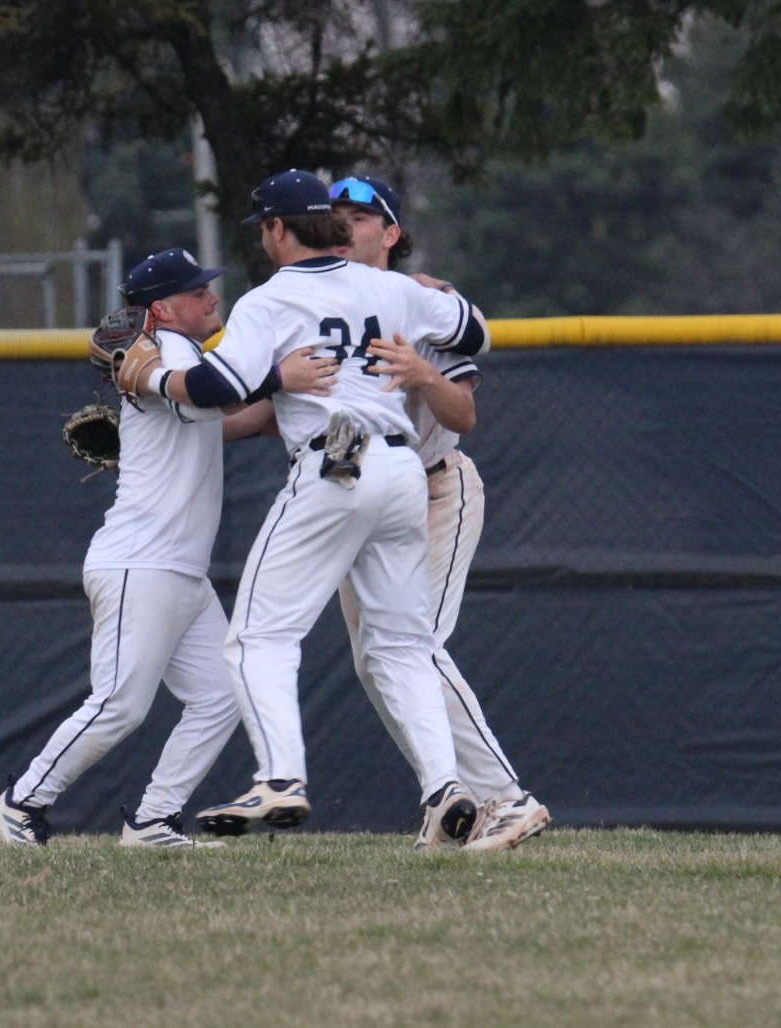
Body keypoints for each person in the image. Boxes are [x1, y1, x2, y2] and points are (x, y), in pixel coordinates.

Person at [113, 169, 490, 851]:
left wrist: (150, 375)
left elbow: (210, 388)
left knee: (257, 636)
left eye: (264, 225)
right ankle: (444, 787)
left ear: (278, 229)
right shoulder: (391, 287)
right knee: (404, 646)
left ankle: (281, 775)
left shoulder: (269, 299)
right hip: (401, 468)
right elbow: (473, 334)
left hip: (334, 463)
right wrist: (427, 299)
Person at [0, 246, 335, 849]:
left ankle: (153, 819)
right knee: (120, 703)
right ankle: (20, 803)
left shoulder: (186, 357)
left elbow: (222, 420)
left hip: (178, 572)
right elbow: (210, 395)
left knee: (221, 697)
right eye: (198, 291)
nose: (212, 297)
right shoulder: (172, 353)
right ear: (165, 309)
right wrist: (277, 379)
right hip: (140, 562)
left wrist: (278, 405)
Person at [328, 174, 551, 852]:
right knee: (376, 662)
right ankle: (452, 803)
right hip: (354, 498)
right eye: (334, 213)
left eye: (360, 215)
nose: (344, 223)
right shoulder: (318, 305)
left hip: (433, 491)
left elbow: (464, 414)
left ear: (391, 233)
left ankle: (506, 801)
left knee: (412, 647)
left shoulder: (428, 303)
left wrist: (422, 373)